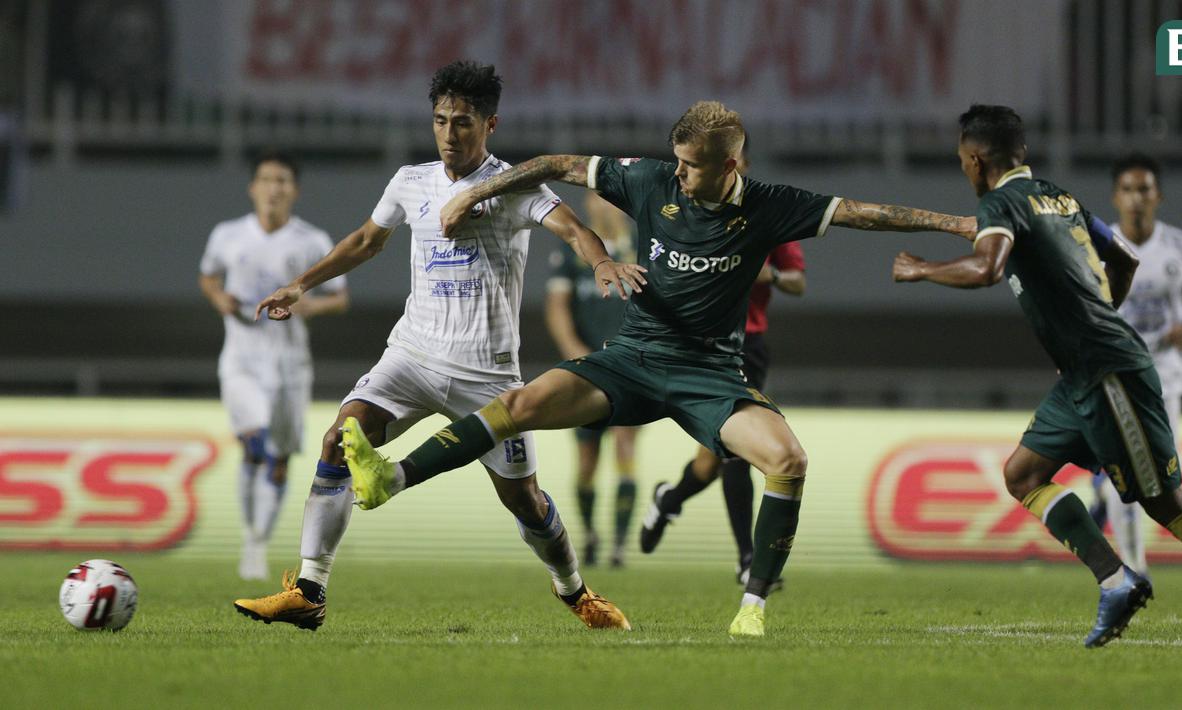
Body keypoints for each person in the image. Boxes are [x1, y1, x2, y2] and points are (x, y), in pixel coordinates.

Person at [341, 100, 975, 637]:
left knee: (789, 461)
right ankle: (390, 477)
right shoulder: (650, 181)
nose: (678, 173)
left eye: (691, 165)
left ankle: (752, 605)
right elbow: (557, 165)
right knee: (521, 405)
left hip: (709, 374)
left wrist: (957, 224)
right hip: (634, 357)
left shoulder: (771, 205)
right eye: (675, 159)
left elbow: (865, 212)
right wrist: (477, 191)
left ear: (730, 165)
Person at [233, 61, 644, 631]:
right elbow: (365, 241)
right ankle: (310, 588)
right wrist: (302, 284)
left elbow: (573, 227)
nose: (450, 134)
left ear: (490, 125)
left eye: (464, 123)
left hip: (489, 376)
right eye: (441, 121)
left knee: (524, 501)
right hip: (413, 357)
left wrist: (600, 261)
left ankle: (574, 590)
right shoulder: (411, 181)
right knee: (339, 438)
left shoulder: (515, 185)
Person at [892, 104, 1182, 647]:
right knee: (1022, 474)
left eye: (962, 161)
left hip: (1110, 371)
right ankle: (1117, 579)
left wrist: (920, 268)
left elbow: (987, 268)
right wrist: (1093, 313)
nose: (963, 170)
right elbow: (1123, 261)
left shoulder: (1004, 202)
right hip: (1082, 375)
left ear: (977, 160)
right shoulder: (1060, 197)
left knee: (1167, 504)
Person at [639, 140, 806, 587]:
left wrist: (759, 268)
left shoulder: (767, 211)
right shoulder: (688, 205)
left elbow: (797, 282)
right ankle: (743, 555)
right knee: (724, 454)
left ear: (740, 164)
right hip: (696, 342)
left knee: (724, 456)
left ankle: (673, 503)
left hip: (745, 344)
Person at [199, 151, 350, 581]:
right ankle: (250, 538)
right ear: (253, 187)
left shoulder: (312, 240)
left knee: (278, 459)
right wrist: (218, 299)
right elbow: (208, 276)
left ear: (294, 190)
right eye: (266, 179)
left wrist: (308, 307)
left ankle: (259, 538)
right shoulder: (228, 235)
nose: (274, 188)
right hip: (242, 359)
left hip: (289, 365)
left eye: (282, 180)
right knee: (254, 444)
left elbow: (340, 297)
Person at [1088, 152, 1182, 577]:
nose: (1136, 198)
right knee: (1132, 478)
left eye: (1144, 189)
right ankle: (1135, 572)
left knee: (1161, 478)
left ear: (1157, 195)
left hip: (1166, 375)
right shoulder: (1097, 250)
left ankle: (1104, 492)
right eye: (1127, 190)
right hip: (1115, 376)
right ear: (1115, 197)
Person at [545, 191, 641, 568]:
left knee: (625, 447)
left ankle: (619, 544)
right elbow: (557, 311)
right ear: (589, 205)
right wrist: (578, 356)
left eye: (615, 201)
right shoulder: (574, 253)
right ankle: (590, 536)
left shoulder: (640, 250)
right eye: (601, 200)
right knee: (587, 459)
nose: (608, 207)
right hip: (586, 370)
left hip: (630, 369)